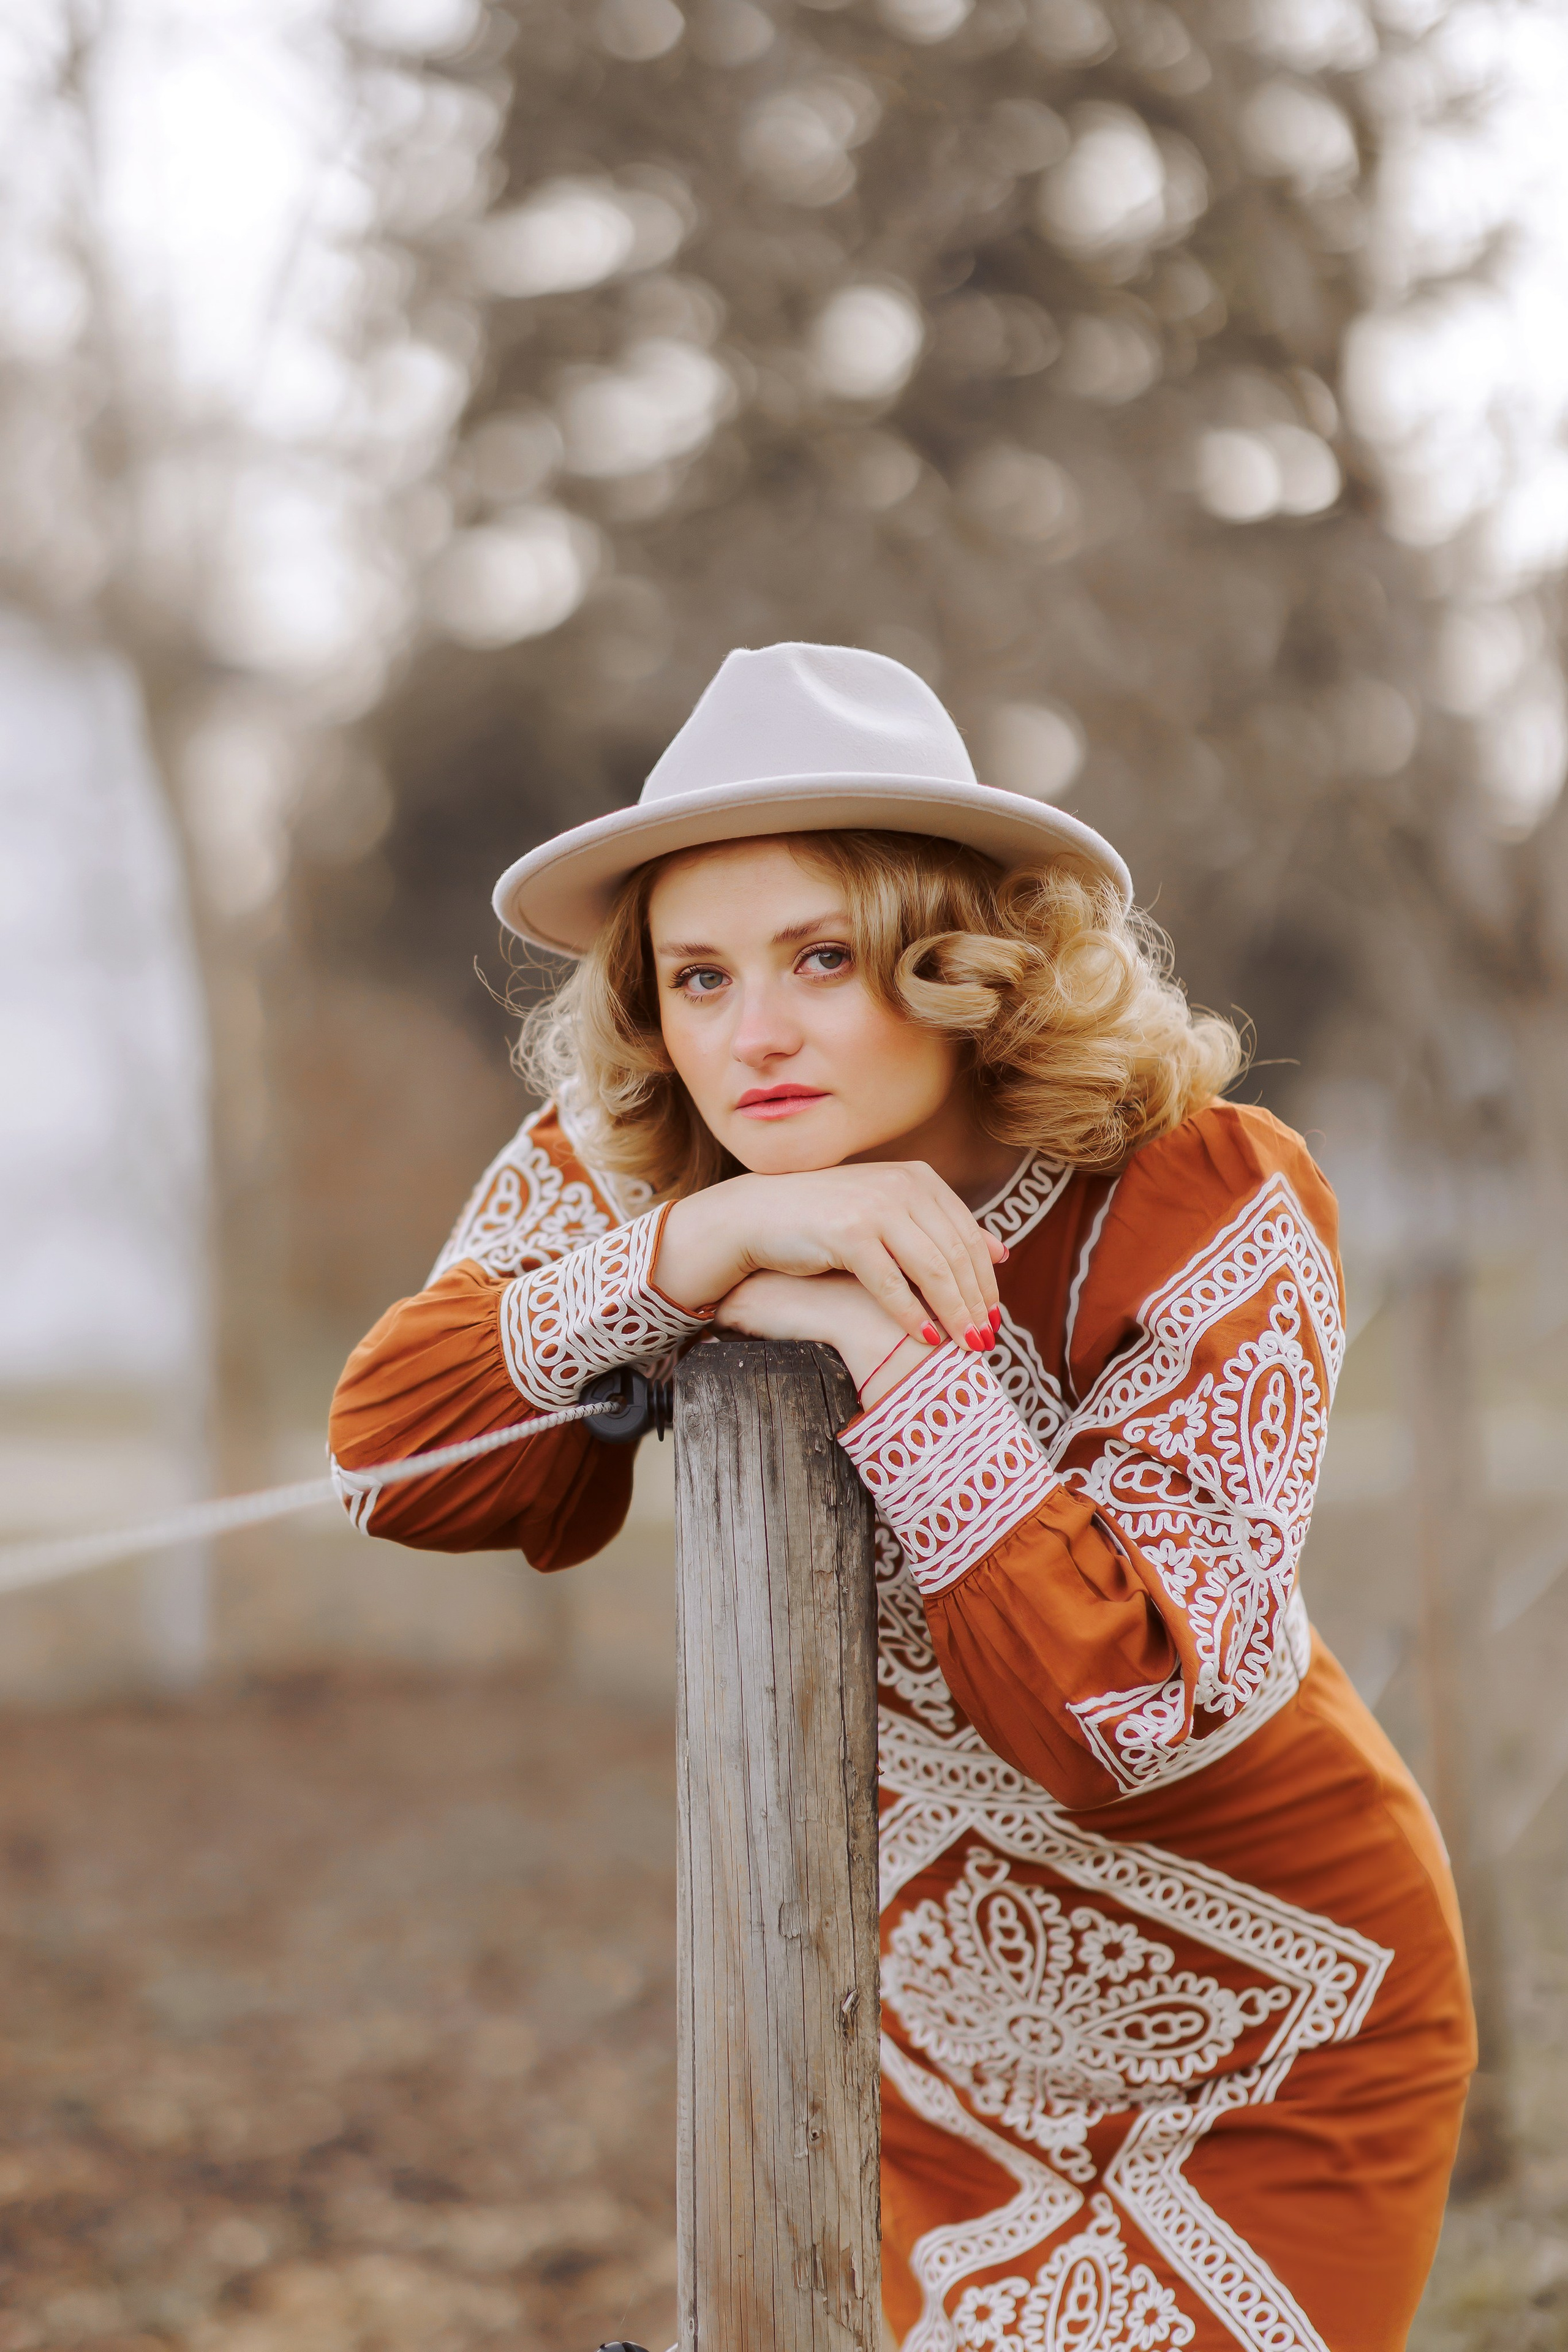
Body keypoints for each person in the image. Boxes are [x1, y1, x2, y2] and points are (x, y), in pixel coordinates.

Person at [330, 643, 1474, 2352]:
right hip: (921, 2051)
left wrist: (893, 1347)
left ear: (964, 964)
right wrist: (689, 1249)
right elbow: (389, 1459)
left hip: (1275, 2037)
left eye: (822, 958)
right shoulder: (636, 1159)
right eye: (699, 979)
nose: (755, 1035)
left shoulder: (1206, 1193)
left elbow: (1109, 1709)